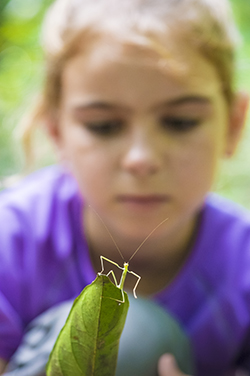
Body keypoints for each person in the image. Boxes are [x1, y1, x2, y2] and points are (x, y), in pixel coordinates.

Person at [0, 0, 249, 374]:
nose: (141, 159)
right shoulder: (11, 237)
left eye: (181, 122)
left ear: (233, 124)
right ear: (55, 130)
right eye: (103, 126)